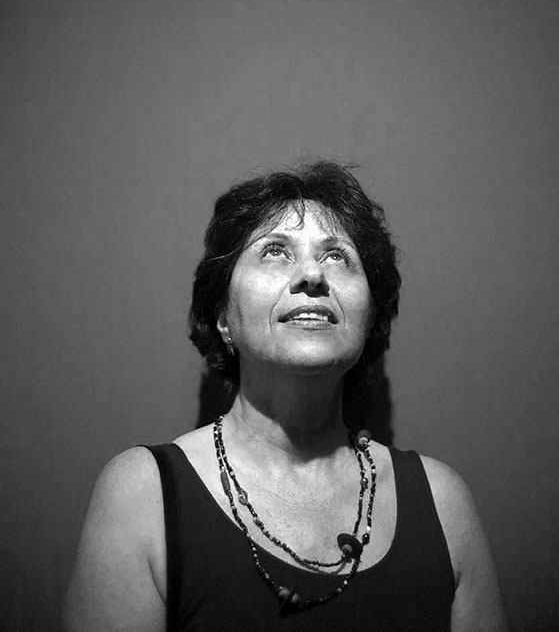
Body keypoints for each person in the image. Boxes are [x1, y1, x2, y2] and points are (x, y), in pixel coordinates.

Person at [63, 161, 508, 631]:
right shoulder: (142, 494)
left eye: (337, 256)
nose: (312, 274)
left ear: (369, 316)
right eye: (275, 251)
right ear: (223, 317)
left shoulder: (443, 502)